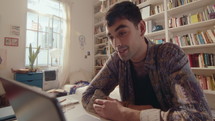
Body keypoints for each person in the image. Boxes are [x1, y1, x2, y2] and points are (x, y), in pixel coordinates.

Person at [82, 1, 212, 121]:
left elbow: (199, 116)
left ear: (142, 28)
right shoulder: (117, 60)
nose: (116, 44)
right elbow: (87, 96)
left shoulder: (169, 55)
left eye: (122, 33)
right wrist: (129, 107)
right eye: (111, 37)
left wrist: (125, 113)